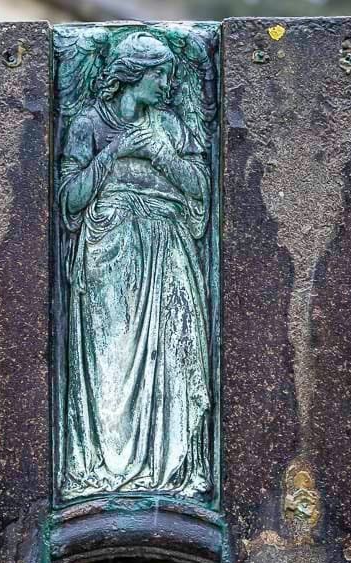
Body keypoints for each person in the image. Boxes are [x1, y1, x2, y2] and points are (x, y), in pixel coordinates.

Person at [59, 31, 212, 500]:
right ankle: (104, 467)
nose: (166, 82)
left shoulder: (170, 126)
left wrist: (162, 155)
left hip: (168, 248)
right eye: (157, 73)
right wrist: (115, 153)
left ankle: (169, 469)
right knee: (111, 363)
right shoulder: (87, 123)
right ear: (132, 76)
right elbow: (70, 196)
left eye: (169, 72)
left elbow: (201, 190)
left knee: (176, 358)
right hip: (111, 251)